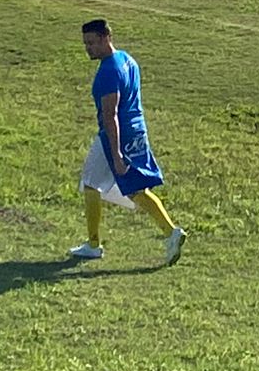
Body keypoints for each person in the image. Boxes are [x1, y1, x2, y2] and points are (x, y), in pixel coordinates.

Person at [70, 19, 185, 266]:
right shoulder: (127, 59)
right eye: (85, 44)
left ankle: (93, 245)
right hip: (136, 129)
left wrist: (117, 155)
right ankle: (172, 232)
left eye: (91, 43)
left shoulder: (107, 73)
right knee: (136, 189)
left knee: (90, 184)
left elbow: (110, 116)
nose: (88, 49)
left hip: (115, 135)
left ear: (106, 37)